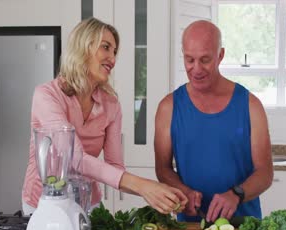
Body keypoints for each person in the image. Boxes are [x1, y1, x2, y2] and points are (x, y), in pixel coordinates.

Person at [22, 18, 187, 215]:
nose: (113, 58)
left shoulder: (111, 105)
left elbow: (115, 167)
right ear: (83, 47)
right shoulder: (47, 95)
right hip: (44, 204)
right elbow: (75, 158)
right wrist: (144, 186)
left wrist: (157, 192)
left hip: (87, 203)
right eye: (106, 47)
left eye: (115, 52)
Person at [154, 20, 273, 223]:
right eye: (189, 60)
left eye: (205, 60)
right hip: (191, 229)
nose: (196, 69)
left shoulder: (250, 105)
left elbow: (265, 172)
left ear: (220, 55)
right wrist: (184, 192)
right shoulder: (169, 107)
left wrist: (237, 194)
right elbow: (162, 169)